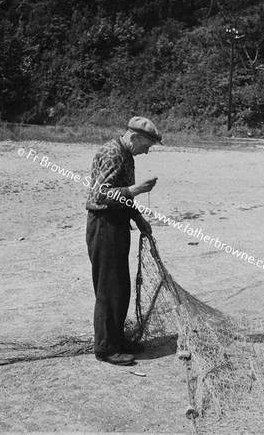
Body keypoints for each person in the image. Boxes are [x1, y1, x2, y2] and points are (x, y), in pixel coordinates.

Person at [86, 116, 162, 366]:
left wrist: (138, 217)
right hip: (104, 223)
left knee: (120, 286)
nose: (147, 151)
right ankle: (106, 348)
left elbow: (121, 193)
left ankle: (117, 339)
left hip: (117, 224)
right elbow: (101, 193)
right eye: (147, 145)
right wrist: (137, 189)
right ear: (134, 137)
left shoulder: (126, 155)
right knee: (108, 289)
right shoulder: (112, 153)